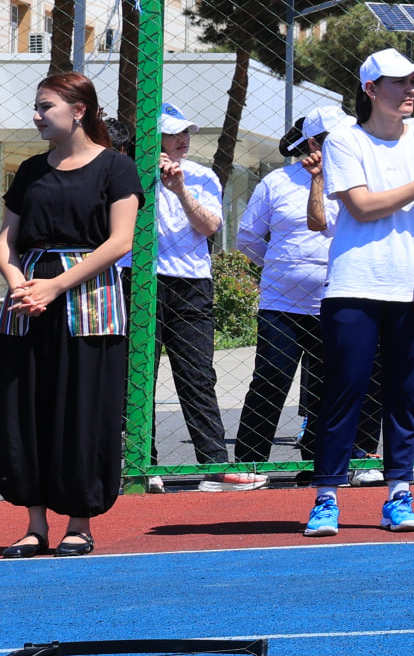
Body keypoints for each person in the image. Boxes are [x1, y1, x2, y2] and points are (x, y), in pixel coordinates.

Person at [304, 50, 414, 538]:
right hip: (353, 286)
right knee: (344, 392)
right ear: (371, 89)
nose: (410, 89)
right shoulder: (345, 141)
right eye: (398, 82)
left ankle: (398, 495)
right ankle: (326, 497)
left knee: (405, 396)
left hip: (408, 289)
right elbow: (364, 206)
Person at [0, 73, 142, 557]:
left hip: (87, 302)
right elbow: (6, 239)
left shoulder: (116, 169)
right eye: (36, 107)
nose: (36, 115)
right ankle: (35, 524)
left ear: (79, 110)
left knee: (82, 410)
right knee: (26, 410)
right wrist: (20, 284)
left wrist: (56, 286)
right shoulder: (29, 170)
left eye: (45, 106)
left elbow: (120, 242)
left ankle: (78, 523)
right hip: (28, 302)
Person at [229, 112, 339, 483]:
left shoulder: (357, 182)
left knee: (330, 383)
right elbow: (247, 237)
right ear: (312, 143)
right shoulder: (277, 181)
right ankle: (250, 463)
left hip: (335, 301)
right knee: (271, 377)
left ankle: (317, 464)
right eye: (332, 139)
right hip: (282, 304)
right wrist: (278, 265)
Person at [149, 104, 233, 485]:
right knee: (137, 376)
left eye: (187, 132)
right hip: (142, 279)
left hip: (192, 283)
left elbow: (210, 225)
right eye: (173, 132)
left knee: (197, 375)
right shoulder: (128, 173)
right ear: (155, 137)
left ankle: (213, 465)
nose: (183, 139)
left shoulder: (200, 176)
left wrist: (179, 188)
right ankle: (140, 464)